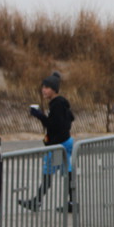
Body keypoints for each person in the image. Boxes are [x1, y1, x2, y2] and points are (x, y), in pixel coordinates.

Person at [21, 72, 74, 211]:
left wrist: (39, 115)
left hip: (58, 145)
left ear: (54, 89)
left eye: (47, 87)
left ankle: (37, 201)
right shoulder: (62, 103)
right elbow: (70, 118)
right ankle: (72, 202)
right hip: (66, 142)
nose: (43, 90)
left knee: (49, 172)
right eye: (43, 87)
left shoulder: (57, 105)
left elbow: (53, 125)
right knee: (67, 171)